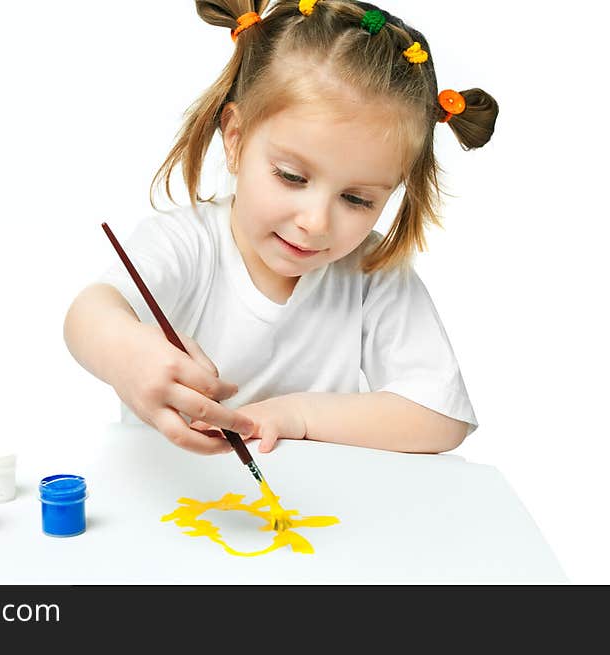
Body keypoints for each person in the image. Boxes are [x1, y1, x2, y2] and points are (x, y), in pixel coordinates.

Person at [63, 0, 498, 456]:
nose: (315, 223)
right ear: (235, 139)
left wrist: (294, 417)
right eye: (292, 177)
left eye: (357, 199)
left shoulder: (371, 272)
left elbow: (439, 417)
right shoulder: (188, 242)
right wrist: (127, 353)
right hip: (170, 503)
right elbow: (89, 313)